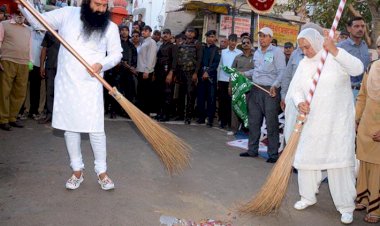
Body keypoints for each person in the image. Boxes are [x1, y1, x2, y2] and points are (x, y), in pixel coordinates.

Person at [18, 0, 123, 190]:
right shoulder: (67, 14)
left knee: (96, 129)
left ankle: (102, 172)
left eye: (104, 5)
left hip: (92, 84)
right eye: (97, 4)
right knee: (70, 127)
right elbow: (37, 22)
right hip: (67, 83)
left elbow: (116, 54)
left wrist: (101, 64)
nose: (101, 9)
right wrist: (23, 5)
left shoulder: (110, 27)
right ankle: (77, 171)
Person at [286, 28, 363, 224]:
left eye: (308, 46)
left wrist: (335, 50)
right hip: (312, 124)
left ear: (318, 41)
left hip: (337, 123)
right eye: (302, 48)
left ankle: (346, 207)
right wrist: (300, 102)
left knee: (339, 164)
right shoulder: (303, 64)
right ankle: (307, 197)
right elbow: (296, 90)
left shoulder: (334, 56)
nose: (305, 51)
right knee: (306, 161)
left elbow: (358, 69)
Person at [239, 27, 285, 163]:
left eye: (264, 36)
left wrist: (275, 85)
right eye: (260, 36)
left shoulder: (277, 52)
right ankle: (252, 150)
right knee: (253, 121)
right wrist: (244, 74)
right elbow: (257, 70)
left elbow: (282, 71)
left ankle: (273, 155)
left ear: (270, 38)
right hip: (255, 89)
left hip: (270, 91)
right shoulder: (257, 52)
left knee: (271, 123)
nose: (262, 39)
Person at [355, 59, 380, 223]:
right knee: (364, 164)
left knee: (378, 168)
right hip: (366, 124)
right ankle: (363, 198)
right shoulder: (372, 67)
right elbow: (362, 95)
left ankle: (376, 208)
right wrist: (357, 119)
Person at [0, 9, 31, 131]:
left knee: (20, 93)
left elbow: (29, 46)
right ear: (13, 13)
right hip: (7, 61)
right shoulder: (3, 25)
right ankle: (3, 119)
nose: (20, 15)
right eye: (18, 12)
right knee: (4, 91)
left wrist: (30, 62)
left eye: (22, 13)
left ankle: (12, 118)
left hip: (23, 63)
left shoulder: (28, 29)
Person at [172, 26, 202, 124]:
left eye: (191, 32)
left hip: (191, 73)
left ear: (194, 34)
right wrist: (175, 73)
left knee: (190, 95)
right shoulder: (181, 44)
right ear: (185, 33)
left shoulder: (197, 44)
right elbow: (176, 59)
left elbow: (199, 60)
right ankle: (180, 115)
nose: (189, 33)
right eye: (188, 32)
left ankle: (188, 117)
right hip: (181, 72)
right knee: (180, 94)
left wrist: (196, 73)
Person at [337, 17, 369, 101]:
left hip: (364, 91)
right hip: (347, 92)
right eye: (356, 26)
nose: (360, 29)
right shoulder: (340, 48)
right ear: (349, 28)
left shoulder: (364, 45)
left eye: (362, 26)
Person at [230, 36, 254, 135]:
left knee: (249, 108)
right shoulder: (238, 57)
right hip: (238, 86)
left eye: (248, 42)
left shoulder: (255, 57)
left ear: (251, 44)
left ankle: (247, 129)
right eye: (244, 43)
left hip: (250, 87)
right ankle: (234, 129)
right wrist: (230, 86)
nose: (246, 44)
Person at [196, 30, 220, 127]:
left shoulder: (217, 50)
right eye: (208, 37)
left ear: (215, 38)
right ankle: (201, 118)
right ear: (206, 38)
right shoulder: (202, 48)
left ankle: (210, 119)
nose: (210, 38)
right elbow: (199, 61)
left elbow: (216, 63)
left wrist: (208, 72)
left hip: (211, 77)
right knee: (201, 98)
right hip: (201, 76)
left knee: (211, 98)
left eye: (212, 37)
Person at [218, 33, 242, 129]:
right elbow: (220, 66)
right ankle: (222, 122)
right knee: (222, 101)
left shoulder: (239, 53)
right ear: (228, 41)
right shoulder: (223, 52)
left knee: (231, 102)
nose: (233, 43)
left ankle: (230, 122)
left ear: (237, 42)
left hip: (233, 80)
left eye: (235, 41)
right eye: (231, 41)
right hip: (222, 79)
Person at [38, 31, 60, 124]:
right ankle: (49, 115)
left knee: (62, 92)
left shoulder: (68, 31)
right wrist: (42, 66)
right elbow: (44, 49)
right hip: (50, 66)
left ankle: (60, 116)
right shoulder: (49, 33)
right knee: (50, 91)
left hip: (64, 68)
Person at [136, 25, 157, 115]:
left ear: (150, 32)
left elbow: (151, 57)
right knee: (141, 92)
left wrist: (147, 71)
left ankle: (145, 112)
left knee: (145, 93)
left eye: (146, 31)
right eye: (143, 30)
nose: (144, 32)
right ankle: (141, 112)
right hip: (141, 70)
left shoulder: (151, 42)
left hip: (146, 72)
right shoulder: (143, 42)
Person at [155, 28, 174, 122]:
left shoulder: (172, 46)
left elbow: (174, 61)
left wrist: (171, 73)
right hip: (159, 72)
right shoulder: (161, 46)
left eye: (167, 33)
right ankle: (160, 113)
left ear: (170, 36)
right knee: (160, 94)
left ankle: (166, 115)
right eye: (164, 33)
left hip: (167, 72)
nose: (165, 35)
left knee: (167, 94)